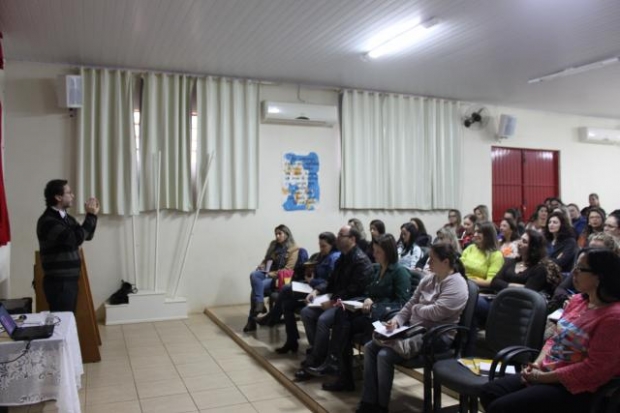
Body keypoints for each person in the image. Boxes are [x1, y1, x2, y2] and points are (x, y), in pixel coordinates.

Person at [479, 248, 620, 413]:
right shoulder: (577, 301)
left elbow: (594, 369)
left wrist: (543, 377)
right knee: (489, 392)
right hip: (549, 371)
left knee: (501, 407)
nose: (573, 273)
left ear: (599, 276)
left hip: (575, 387)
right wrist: (537, 363)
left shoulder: (613, 317)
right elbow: (555, 338)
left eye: (580, 269)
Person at [357, 243, 469, 413]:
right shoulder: (430, 278)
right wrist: (397, 321)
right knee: (370, 347)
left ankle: (381, 406)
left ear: (446, 262)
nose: (428, 263)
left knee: (384, 354)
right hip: (414, 328)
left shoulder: (457, 284)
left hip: (437, 336)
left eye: (432, 259)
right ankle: (369, 401)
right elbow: (410, 303)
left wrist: (417, 309)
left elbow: (436, 312)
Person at [308, 234, 410, 392]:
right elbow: (370, 292)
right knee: (341, 315)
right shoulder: (378, 269)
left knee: (344, 328)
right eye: (374, 251)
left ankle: (336, 365)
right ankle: (338, 367)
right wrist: (368, 298)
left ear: (388, 252)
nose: (374, 255)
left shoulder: (399, 272)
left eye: (378, 252)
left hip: (382, 319)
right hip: (370, 313)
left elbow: (402, 303)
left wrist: (374, 303)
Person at [295, 225, 373, 379]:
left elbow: (355, 290)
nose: (337, 237)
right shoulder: (343, 257)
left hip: (350, 305)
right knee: (307, 313)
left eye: (341, 235)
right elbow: (331, 282)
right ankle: (321, 353)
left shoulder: (361, 261)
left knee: (324, 320)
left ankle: (316, 360)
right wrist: (317, 291)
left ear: (352, 239)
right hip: (336, 299)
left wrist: (333, 302)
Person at [37, 179, 99, 313]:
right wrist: (90, 216)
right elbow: (75, 239)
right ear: (58, 197)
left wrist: (93, 216)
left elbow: (87, 235)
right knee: (63, 322)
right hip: (59, 282)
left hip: (70, 279)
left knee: (68, 320)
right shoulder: (48, 221)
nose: (73, 196)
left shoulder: (67, 218)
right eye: (69, 193)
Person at [257, 232, 340, 331]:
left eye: (324, 246)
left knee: (286, 288)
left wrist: (312, 281)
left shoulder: (335, 258)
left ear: (332, 245)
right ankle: (291, 340)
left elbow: (329, 282)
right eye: (319, 245)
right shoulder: (322, 255)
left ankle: (272, 317)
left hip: (322, 292)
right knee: (286, 303)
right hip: (311, 286)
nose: (321, 249)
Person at [244, 224, 299, 332]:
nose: (277, 236)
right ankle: (260, 303)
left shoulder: (294, 248)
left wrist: (270, 274)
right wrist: (262, 266)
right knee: (254, 274)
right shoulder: (274, 245)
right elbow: (266, 260)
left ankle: (251, 321)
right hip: (267, 273)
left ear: (287, 234)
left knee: (255, 290)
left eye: (280, 234)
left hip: (279, 278)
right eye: (276, 234)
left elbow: (288, 269)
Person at [461, 221, 504, 289]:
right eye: (475, 231)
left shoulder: (496, 255)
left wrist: (468, 280)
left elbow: (491, 282)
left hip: (478, 290)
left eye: (479, 232)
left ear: (488, 235)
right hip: (462, 285)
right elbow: (459, 267)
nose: (475, 234)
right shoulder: (470, 248)